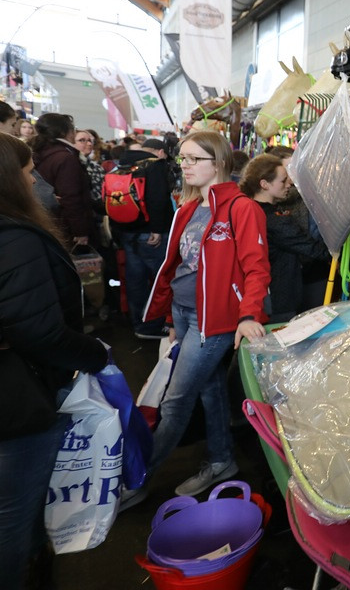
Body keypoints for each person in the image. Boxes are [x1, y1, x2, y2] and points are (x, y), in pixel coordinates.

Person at [124, 131, 270, 507]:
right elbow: (179, 267)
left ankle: (137, 479)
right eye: (183, 159)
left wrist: (248, 314)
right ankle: (222, 460)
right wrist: (171, 317)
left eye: (193, 159)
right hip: (185, 313)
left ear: (218, 163)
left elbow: (256, 269)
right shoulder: (188, 208)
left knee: (175, 399)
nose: (184, 166)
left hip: (215, 320)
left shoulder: (242, 209)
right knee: (211, 389)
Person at [0, 133, 109, 586]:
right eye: (29, 173)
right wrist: (95, 354)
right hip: (17, 400)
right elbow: (36, 327)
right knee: (13, 519)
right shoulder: (14, 238)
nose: (36, 181)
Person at [240, 154, 331, 322]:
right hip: (280, 300)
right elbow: (312, 248)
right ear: (264, 184)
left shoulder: (253, 210)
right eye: (283, 181)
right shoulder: (274, 220)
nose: (289, 183)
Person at [110, 137, 175, 339]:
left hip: (126, 230)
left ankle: (138, 323)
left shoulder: (121, 165)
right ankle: (154, 325)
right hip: (150, 233)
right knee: (159, 281)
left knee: (135, 280)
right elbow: (158, 198)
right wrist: (157, 228)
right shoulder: (154, 166)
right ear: (159, 152)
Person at [29, 113, 96, 249]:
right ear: (66, 132)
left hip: (46, 220)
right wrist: (80, 230)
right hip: (65, 226)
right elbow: (71, 197)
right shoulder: (65, 157)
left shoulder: (39, 152)